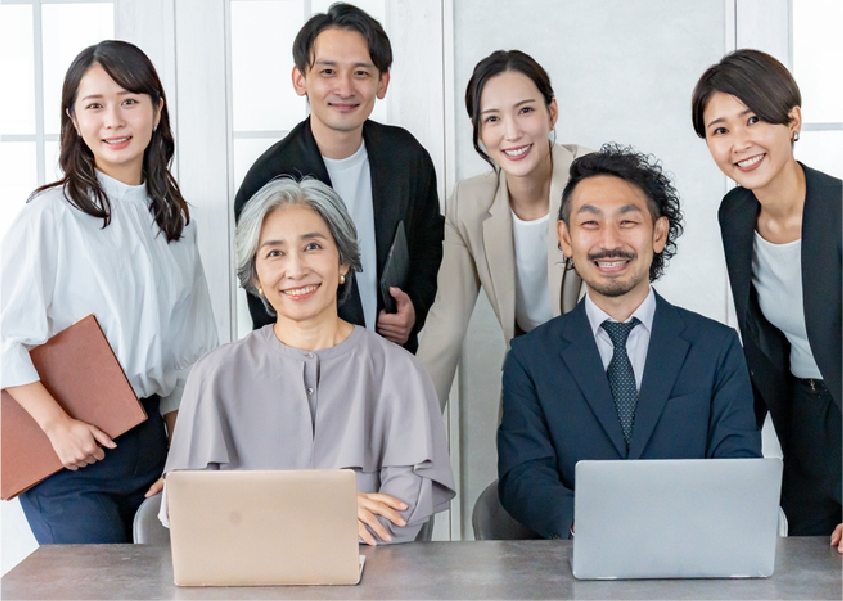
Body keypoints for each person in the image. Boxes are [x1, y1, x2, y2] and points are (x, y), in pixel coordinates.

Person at [0, 40, 217, 544]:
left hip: (151, 446)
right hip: (69, 451)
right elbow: (5, 338)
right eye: (95, 105)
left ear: (157, 111)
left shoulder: (177, 222)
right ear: (75, 120)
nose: (113, 121)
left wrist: (185, 461)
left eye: (129, 101)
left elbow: (191, 359)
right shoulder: (49, 216)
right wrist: (57, 426)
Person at [163, 178, 454, 545]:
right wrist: (330, 508)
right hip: (247, 583)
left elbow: (398, 512)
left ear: (344, 260)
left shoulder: (400, 373)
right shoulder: (215, 376)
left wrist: (260, 510)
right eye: (274, 253)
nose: (296, 270)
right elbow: (195, 508)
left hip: (370, 581)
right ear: (255, 277)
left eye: (312, 246)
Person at [497, 144, 761, 539]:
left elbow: (737, 464)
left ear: (658, 234)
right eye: (590, 224)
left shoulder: (717, 349)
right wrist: (588, 523)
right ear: (565, 239)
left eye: (627, 222)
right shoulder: (529, 358)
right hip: (574, 566)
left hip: (691, 561)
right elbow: (522, 474)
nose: (609, 242)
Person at [692, 49, 843, 550]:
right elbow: (759, 341)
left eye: (753, 119)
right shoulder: (735, 214)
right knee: (811, 566)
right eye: (720, 130)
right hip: (803, 422)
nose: (740, 143)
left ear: (793, 120)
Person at [233, 2, 443, 354]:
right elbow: (263, 294)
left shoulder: (407, 157)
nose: (345, 89)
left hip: (391, 360)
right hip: (310, 366)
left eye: (361, 73)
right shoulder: (266, 180)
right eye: (328, 71)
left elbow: (428, 241)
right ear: (301, 79)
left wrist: (414, 308)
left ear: (383, 82)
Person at [418, 50, 589, 411]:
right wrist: (410, 432)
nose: (511, 133)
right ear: (478, 131)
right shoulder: (469, 202)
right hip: (528, 374)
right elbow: (445, 327)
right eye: (492, 118)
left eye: (525, 111)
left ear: (551, 112)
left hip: (600, 371)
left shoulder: (594, 178)